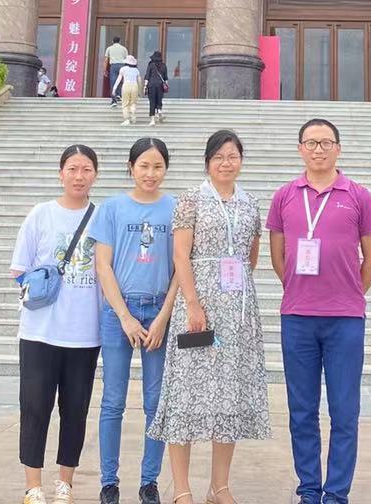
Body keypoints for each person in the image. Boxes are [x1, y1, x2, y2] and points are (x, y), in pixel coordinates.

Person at [149, 129, 270, 504]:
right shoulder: (191, 199)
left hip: (238, 316)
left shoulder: (250, 203)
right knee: (186, 392)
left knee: (229, 395)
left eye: (232, 156)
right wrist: (194, 303)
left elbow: (251, 256)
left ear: (241, 161)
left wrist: (233, 294)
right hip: (196, 313)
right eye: (219, 157)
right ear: (207, 162)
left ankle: (219, 487)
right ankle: (182, 488)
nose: (226, 163)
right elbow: (180, 255)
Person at [267, 118, 371, 504]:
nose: (319, 149)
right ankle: (309, 490)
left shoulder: (359, 195)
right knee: (301, 410)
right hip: (297, 318)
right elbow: (278, 257)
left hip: (345, 321)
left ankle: (336, 494)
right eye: (311, 143)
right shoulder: (284, 195)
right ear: (300, 148)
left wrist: (349, 293)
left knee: (344, 411)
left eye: (326, 142)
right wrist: (300, 290)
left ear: (338, 148)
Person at [11, 145, 103, 504]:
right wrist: (41, 287)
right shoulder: (41, 214)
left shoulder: (102, 217)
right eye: (73, 169)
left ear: (95, 174)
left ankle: (65, 482)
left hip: (84, 333)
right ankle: (33, 486)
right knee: (35, 407)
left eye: (86, 169)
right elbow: (19, 270)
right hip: (40, 332)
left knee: (75, 409)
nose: (79, 176)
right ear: (60, 173)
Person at [92, 138, 178, 504]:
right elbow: (103, 266)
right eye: (144, 165)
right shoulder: (112, 208)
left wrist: (163, 317)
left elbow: (181, 268)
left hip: (159, 311)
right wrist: (125, 316)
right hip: (119, 313)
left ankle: (149, 482)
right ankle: (108, 482)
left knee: (156, 402)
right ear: (131, 167)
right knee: (113, 400)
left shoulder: (175, 208)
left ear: (166, 169)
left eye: (157, 166)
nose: (150, 173)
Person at [115, 56, 143, 126]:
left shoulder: (123, 69)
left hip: (126, 85)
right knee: (133, 103)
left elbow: (119, 79)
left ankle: (127, 120)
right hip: (134, 86)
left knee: (125, 104)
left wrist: (114, 88)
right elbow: (139, 81)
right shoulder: (136, 70)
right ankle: (133, 114)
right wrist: (140, 91)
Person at [145, 51, 169, 127]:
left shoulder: (150, 65)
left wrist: (145, 86)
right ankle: (159, 110)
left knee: (152, 102)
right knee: (159, 100)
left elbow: (147, 76)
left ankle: (152, 120)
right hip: (160, 85)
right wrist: (166, 86)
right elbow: (165, 78)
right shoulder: (164, 65)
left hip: (151, 85)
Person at [105, 36, 129, 106]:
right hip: (122, 65)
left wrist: (105, 69)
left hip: (113, 66)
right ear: (120, 41)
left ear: (112, 41)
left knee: (113, 82)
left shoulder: (109, 48)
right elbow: (127, 59)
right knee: (121, 81)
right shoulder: (124, 49)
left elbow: (106, 60)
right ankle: (119, 94)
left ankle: (114, 100)